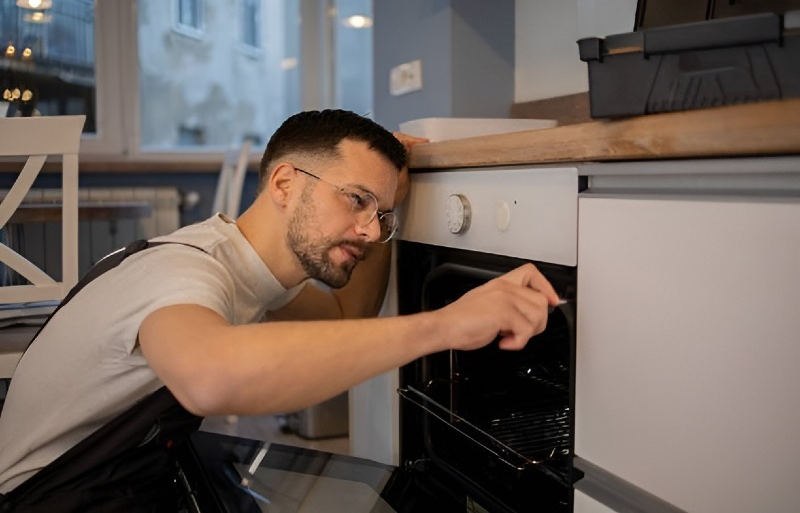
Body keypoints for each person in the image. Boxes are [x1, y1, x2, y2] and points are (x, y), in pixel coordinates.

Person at [0, 109, 558, 499]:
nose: (370, 231)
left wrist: (396, 206)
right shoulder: (183, 270)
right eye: (357, 199)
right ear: (286, 183)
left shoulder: (253, 272)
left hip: (118, 479)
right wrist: (447, 324)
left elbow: (347, 317)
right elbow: (211, 378)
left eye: (381, 216)